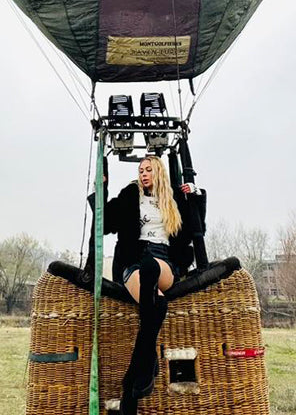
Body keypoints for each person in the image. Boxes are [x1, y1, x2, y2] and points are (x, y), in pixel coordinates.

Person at [93, 155, 200, 412]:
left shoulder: (172, 200)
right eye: (140, 170)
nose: (143, 174)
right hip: (133, 260)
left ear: (159, 173)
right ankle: (137, 376)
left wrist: (195, 195)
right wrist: (101, 188)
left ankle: (136, 378)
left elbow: (196, 230)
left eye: (148, 170)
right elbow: (106, 223)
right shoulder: (131, 195)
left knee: (152, 267)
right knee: (157, 304)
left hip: (162, 260)